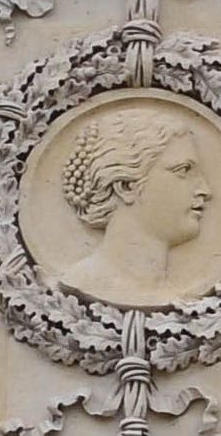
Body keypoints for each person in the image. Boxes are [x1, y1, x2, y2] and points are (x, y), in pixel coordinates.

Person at [56, 109, 212, 303]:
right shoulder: (83, 283)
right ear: (126, 186)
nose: (205, 190)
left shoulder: (174, 295)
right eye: (184, 170)